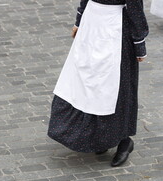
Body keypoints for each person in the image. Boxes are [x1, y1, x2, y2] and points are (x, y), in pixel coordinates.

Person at [48, 0, 149, 167]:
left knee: (116, 84)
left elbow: (135, 7)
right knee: (85, 80)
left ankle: (124, 140)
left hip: (114, 27)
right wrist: (79, 20)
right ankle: (101, 138)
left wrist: (139, 43)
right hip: (91, 23)